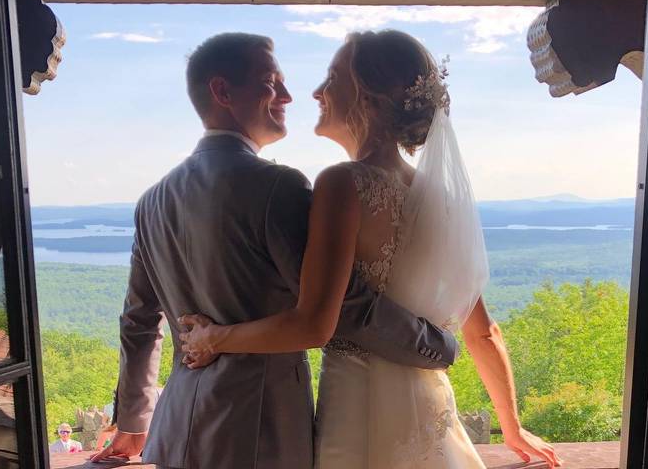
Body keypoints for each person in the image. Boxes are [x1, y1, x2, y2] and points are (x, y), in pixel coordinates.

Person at [180, 30, 562, 468]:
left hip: (360, 415)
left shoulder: (344, 183)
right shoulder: (440, 198)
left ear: (370, 97)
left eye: (333, 77)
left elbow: (313, 325)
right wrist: (511, 426)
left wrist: (216, 338)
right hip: (430, 410)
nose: (317, 91)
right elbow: (481, 332)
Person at [91, 33, 458, 468]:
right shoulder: (278, 187)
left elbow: (138, 320)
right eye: (271, 82)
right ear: (223, 92)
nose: (288, 95)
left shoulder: (152, 199)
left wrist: (134, 419)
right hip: (261, 427)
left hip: (177, 425)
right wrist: (439, 347)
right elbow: (346, 306)